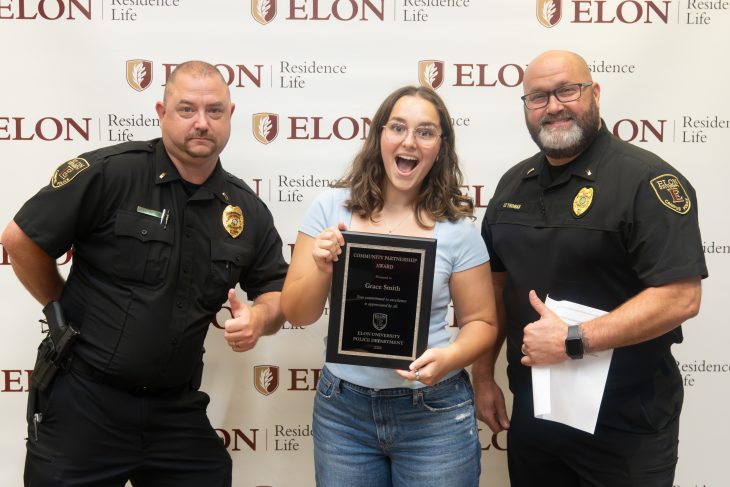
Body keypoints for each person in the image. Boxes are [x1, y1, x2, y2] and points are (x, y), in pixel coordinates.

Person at [1, 60, 289, 486]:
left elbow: (277, 289)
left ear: (230, 115)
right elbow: (20, 240)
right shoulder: (111, 173)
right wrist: (58, 308)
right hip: (85, 401)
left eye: (214, 111)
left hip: (176, 409)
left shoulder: (245, 209)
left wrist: (261, 319)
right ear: (161, 111)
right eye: (187, 109)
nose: (201, 123)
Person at [472, 50, 708, 486]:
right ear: (525, 107)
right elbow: (494, 293)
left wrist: (575, 340)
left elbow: (681, 296)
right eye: (538, 97)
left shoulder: (646, 182)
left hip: (625, 426)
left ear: (594, 93)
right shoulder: (511, 185)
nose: (554, 106)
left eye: (567, 90)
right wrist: (483, 377)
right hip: (536, 417)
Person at [280, 85, 498, 486]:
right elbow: (298, 312)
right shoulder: (330, 209)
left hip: (434, 411)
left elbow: (483, 322)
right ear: (379, 134)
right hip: (343, 412)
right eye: (398, 127)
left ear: (440, 146)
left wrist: (448, 360)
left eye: (425, 132)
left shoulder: (458, 230)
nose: (409, 141)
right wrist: (320, 265)